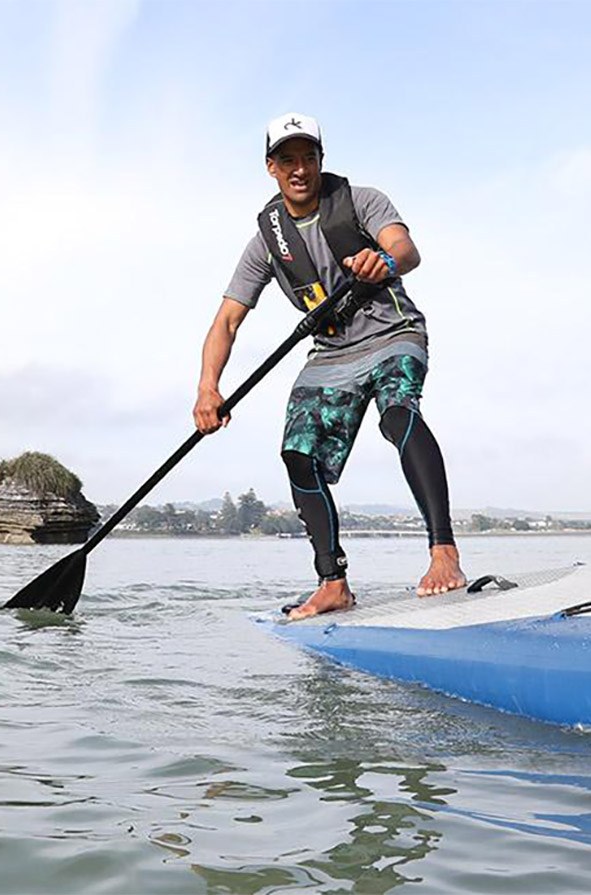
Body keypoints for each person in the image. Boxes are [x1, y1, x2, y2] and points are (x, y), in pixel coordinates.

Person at [194, 112, 465, 620]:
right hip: (332, 353)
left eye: (309, 157)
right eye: (288, 159)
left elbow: (406, 250)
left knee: (398, 416)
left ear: (321, 161)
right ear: (271, 167)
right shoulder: (266, 244)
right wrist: (208, 388)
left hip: (393, 334)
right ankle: (332, 582)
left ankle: (443, 552)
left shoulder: (362, 200)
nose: (300, 168)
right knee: (298, 453)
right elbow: (226, 322)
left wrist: (383, 261)